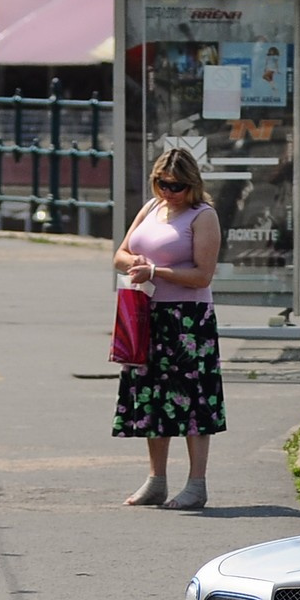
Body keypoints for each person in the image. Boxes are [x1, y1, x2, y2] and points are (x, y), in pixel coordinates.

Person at [112, 147, 226, 510]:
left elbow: (202, 275)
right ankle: (156, 479)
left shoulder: (202, 216)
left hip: (187, 318)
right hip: (148, 312)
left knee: (192, 398)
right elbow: (119, 254)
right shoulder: (151, 207)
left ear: (191, 184)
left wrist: (156, 272)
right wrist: (136, 262)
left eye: (176, 185)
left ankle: (197, 483)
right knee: (151, 397)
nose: (168, 191)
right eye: (161, 183)